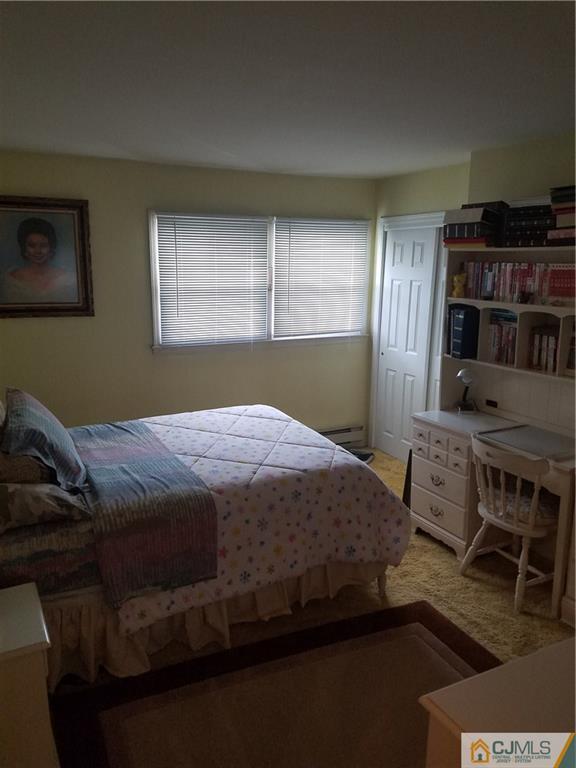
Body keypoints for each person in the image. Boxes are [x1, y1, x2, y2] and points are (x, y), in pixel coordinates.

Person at [0, 217, 78, 303]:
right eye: (32, 245)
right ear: (24, 248)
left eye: (43, 245)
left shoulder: (69, 279)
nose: (38, 251)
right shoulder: (10, 281)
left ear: (51, 247)